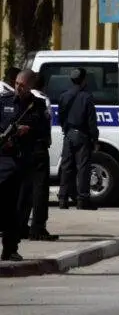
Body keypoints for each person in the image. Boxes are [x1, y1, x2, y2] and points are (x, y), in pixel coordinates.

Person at [1, 69, 52, 261]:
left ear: (31, 85)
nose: (18, 88)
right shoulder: (4, 102)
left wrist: (27, 131)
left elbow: (43, 132)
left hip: (24, 162)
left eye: (22, 85)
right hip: (4, 161)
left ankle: (10, 248)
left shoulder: (37, 106)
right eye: (16, 84)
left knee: (18, 207)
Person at [19, 71, 57, 241]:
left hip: (22, 151)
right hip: (36, 149)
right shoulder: (42, 101)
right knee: (39, 190)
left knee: (23, 190)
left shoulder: (19, 99)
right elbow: (45, 124)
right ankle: (37, 228)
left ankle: (21, 226)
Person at [57, 67, 99, 211]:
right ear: (83, 80)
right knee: (83, 169)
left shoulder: (64, 95)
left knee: (66, 167)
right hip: (82, 136)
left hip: (68, 135)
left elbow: (60, 117)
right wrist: (95, 139)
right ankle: (82, 201)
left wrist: (66, 130)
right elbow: (91, 121)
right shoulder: (87, 97)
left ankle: (62, 199)